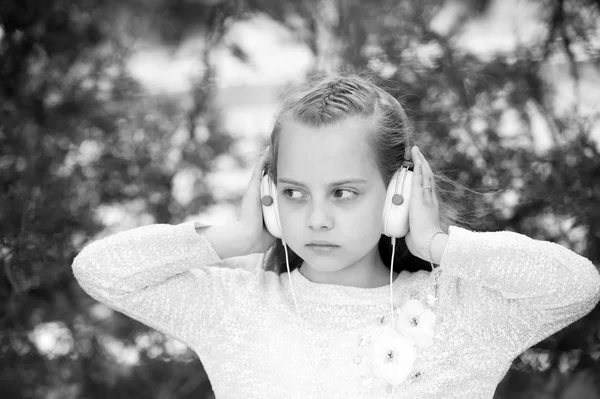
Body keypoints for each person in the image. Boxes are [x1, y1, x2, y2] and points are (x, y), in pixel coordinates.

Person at [72, 74, 600, 399]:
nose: (316, 219)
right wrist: (233, 238)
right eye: (295, 193)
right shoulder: (234, 308)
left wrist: (440, 244)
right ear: (269, 198)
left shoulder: (461, 312)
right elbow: (99, 271)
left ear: (399, 193)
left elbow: (577, 286)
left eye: (343, 193)